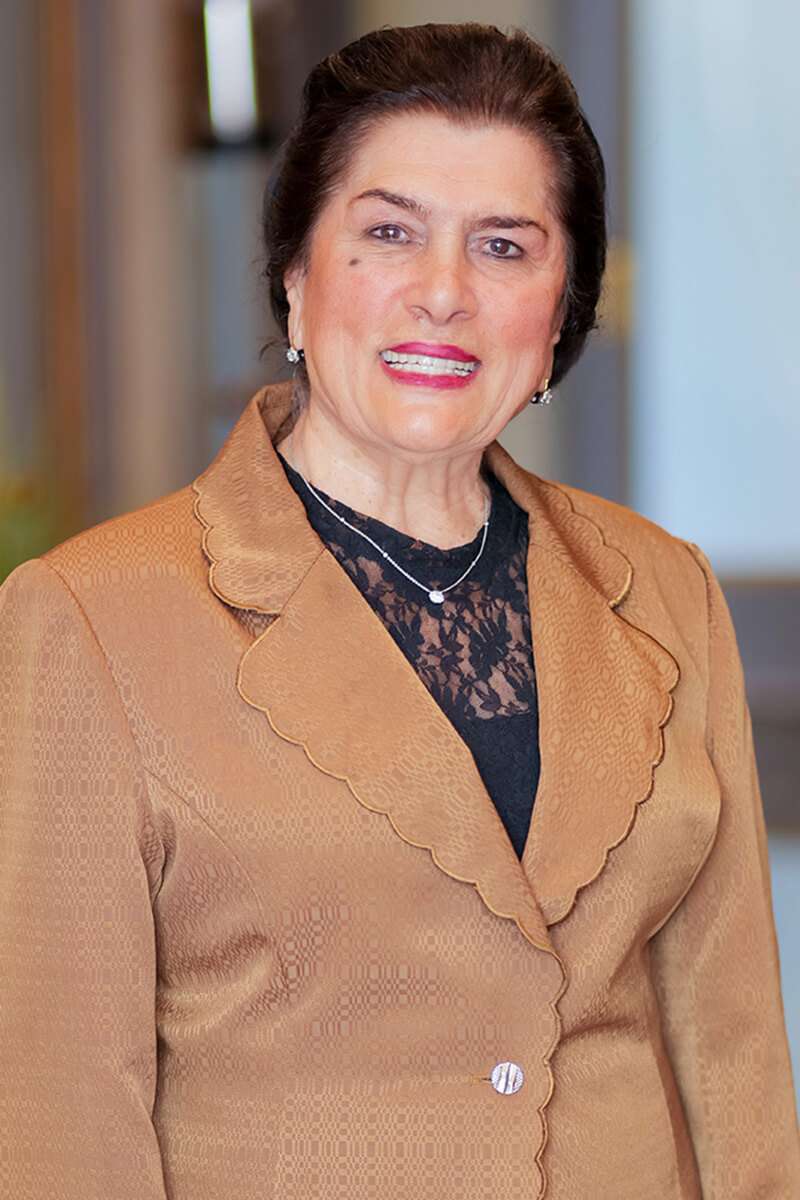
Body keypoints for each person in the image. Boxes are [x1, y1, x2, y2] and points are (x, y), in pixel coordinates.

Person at [1, 21, 797, 1199]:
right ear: (294, 272)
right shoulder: (92, 617)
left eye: (503, 246)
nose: (441, 294)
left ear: (560, 304)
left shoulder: (661, 586)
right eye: (386, 234)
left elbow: (732, 1053)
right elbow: (61, 1116)